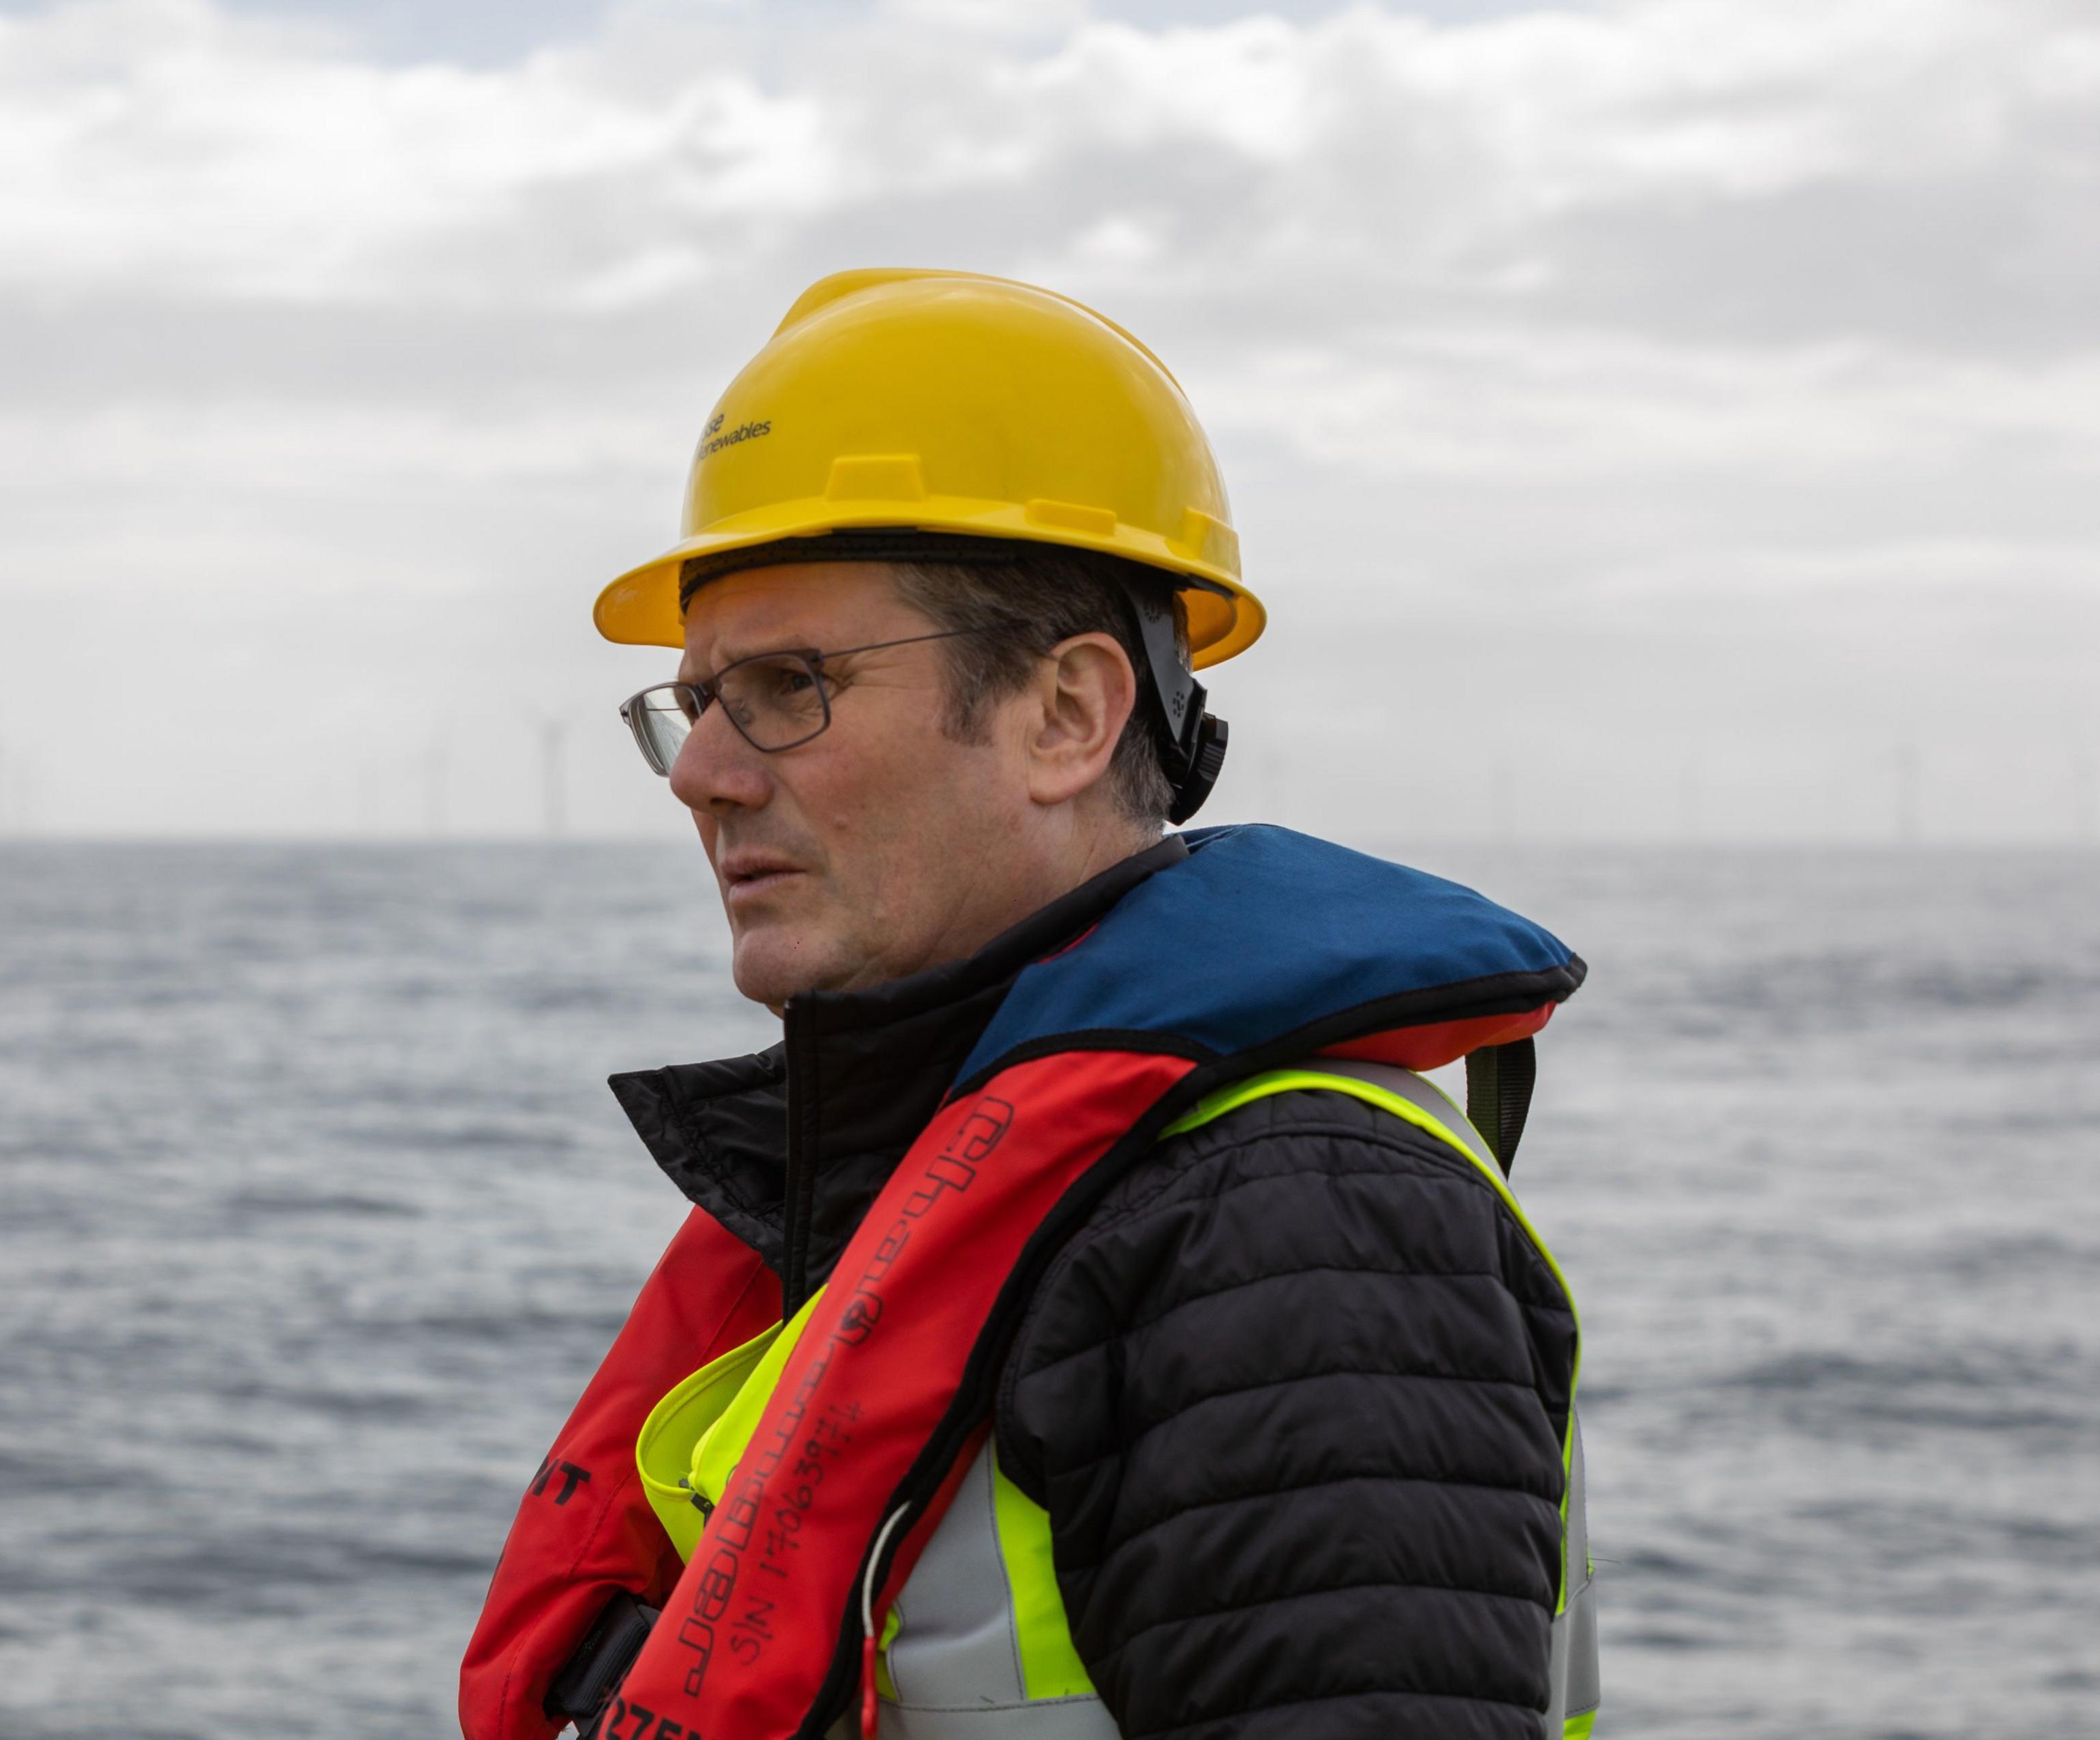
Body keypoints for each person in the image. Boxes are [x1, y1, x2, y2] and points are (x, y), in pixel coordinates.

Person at [461, 270, 1598, 1740]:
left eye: (791, 685)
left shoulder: (1294, 1226)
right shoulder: (928, 1165)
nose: (702, 772)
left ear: (1068, 713)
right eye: (692, 704)